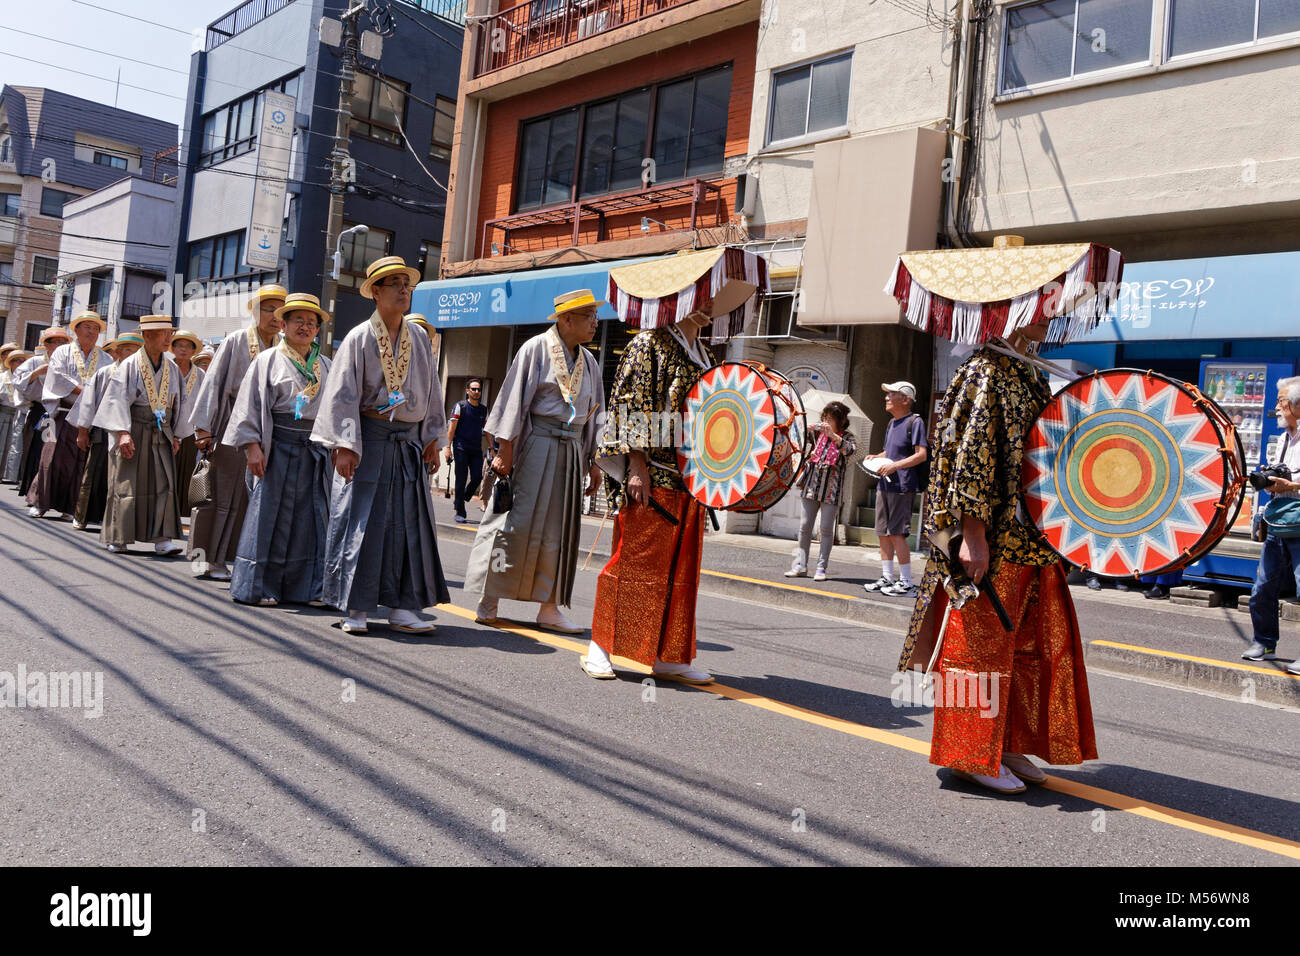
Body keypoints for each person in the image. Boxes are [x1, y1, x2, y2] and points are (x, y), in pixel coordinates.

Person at [896, 325, 1098, 795]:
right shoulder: (986, 370)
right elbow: (971, 458)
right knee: (978, 646)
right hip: (998, 536)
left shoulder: (1026, 371)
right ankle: (967, 751)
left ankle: (1003, 742)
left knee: (1025, 646)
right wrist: (972, 534)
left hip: (1033, 537)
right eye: (1039, 311)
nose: (1048, 321)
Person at [311, 256, 449, 634]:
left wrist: (433, 438)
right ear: (376, 291)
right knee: (362, 522)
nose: (404, 290)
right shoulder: (358, 337)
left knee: (408, 526)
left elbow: (432, 391)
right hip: (369, 438)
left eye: (407, 283)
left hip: (408, 442)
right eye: (395, 284)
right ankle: (354, 607)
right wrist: (343, 444)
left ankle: (403, 606)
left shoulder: (418, 337)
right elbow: (342, 394)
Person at [581, 310, 717, 684]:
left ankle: (670, 653)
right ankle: (599, 646)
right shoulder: (649, 343)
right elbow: (630, 403)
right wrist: (636, 465)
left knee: (680, 570)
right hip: (653, 470)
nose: (709, 305)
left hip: (690, 476)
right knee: (634, 562)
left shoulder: (704, 353)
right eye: (702, 295)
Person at [464, 290, 606, 633]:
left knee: (560, 529)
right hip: (535, 444)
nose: (594, 322)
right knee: (512, 521)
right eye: (588, 316)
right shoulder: (535, 349)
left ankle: (549, 605)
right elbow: (514, 401)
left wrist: (595, 460)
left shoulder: (589, 361)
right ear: (566, 319)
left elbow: (596, 413)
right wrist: (505, 450)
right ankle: (490, 597)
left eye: (594, 316)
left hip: (572, 449)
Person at [224, 293, 333, 607]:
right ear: (284, 324)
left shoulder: (326, 363)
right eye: (298, 320)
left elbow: (335, 410)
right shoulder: (267, 359)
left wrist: (337, 445)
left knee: (312, 520)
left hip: (314, 449)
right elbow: (248, 405)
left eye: (311, 323)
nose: (305, 327)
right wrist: (252, 446)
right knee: (267, 517)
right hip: (277, 446)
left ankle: (310, 589)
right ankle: (259, 587)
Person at [187, 285, 287, 580]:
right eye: (268, 309)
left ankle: (233, 559)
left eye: (278, 311)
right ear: (255, 311)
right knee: (219, 495)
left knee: (247, 498)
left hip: (268, 429)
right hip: (230, 426)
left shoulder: (283, 346)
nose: (273, 316)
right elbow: (214, 384)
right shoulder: (236, 340)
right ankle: (207, 559)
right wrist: (203, 429)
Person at [92, 316, 192, 555]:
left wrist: (177, 436)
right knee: (126, 483)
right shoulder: (129, 365)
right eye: (162, 333)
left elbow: (181, 403)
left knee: (164, 483)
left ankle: (162, 538)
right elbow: (116, 400)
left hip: (162, 430)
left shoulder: (172, 369)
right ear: (147, 336)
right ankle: (119, 536)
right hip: (133, 427)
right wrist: (122, 433)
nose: (168, 339)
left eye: (170, 333)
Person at [29, 312, 114, 519]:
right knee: (50, 457)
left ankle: (69, 506)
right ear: (76, 329)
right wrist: (84, 390)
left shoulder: (106, 358)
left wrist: (91, 394)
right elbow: (57, 376)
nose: (92, 332)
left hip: (89, 416)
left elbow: (108, 384)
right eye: (87, 327)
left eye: (95, 329)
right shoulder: (62, 352)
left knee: (80, 462)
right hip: (61, 413)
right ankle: (41, 502)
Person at [1243, 376, 1300, 676]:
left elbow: (1293, 481)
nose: (1276, 407)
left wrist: (1292, 484)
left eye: (1281, 401)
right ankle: (1264, 642)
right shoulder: (1283, 438)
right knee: (1262, 586)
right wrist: (1272, 485)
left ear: (1296, 405)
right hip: (1279, 520)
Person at [862, 381, 928, 596]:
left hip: (902, 484)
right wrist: (878, 456)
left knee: (897, 533)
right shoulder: (892, 423)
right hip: (885, 483)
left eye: (892, 394)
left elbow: (921, 455)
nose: (886, 398)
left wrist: (894, 466)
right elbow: (890, 451)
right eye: (887, 394)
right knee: (882, 532)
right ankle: (887, 578)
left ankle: (906, 582)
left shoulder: (915, 422)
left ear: (906, 399)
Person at [70, 334, 140, 530]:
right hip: (102, 427)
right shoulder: (104, 372)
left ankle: (112, 519)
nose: (132, 354)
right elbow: (87, 403)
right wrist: (83, 431)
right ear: (117, 352)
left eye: (136, 351)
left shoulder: (142, 375)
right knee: (93, 473)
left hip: (130, 429)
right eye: (127, 349)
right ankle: (81, 516)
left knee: (122, 477)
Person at [787, 401, 857, 581]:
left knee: (826, 529)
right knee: (804, 527)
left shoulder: (847, 437)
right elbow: (798, 439)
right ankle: (800, 565)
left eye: (831, 419)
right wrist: (807, 428)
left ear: (841, 421)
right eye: (825, 417)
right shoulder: (817, 435)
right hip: (812, 485)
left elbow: (850, 451)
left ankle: (821, 568)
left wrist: (833, 435)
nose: (826, 421)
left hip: (831, 490)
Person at [14, 330, 69, 499]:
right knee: (35, 448)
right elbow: (18, 381)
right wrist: (37, 373)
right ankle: (32, 489)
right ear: (46, 345)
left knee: (52, 451)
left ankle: (48, 491)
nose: (59, 346)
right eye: (55, 342)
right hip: (40, 411)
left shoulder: (66, 363)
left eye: (62, 342)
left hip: (58, 412)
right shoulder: (36, 361)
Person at [171, 329, 205, 518]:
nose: (183, 350)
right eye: (179, 346)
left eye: (188, 346)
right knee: (168, 468)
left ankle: (183, 511)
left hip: (191, 428)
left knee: (187, 468)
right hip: (167, 427)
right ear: (173, 348)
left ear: (193, 351)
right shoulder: (166, 368)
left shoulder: (200, 374)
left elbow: (204, 401)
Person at [444, 378, 489, 523]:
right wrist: (447, 448)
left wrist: (492, 448)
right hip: (460, 448)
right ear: (467, 391)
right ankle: (460, 511)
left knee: (477, 477)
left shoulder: (483, 409)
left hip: (476, 449)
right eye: (474, 389)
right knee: (461, 479)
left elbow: (487, 430)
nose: (477, 392)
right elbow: (452, 428)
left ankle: (462, 497)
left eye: (479, 389)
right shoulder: (460, 407)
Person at [0, 343, 18, 481]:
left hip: (17, 412)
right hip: (3, 411)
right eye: (6, 353)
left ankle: (7, 473)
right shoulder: (2, 375)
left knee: (11, 444)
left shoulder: (20, 375)